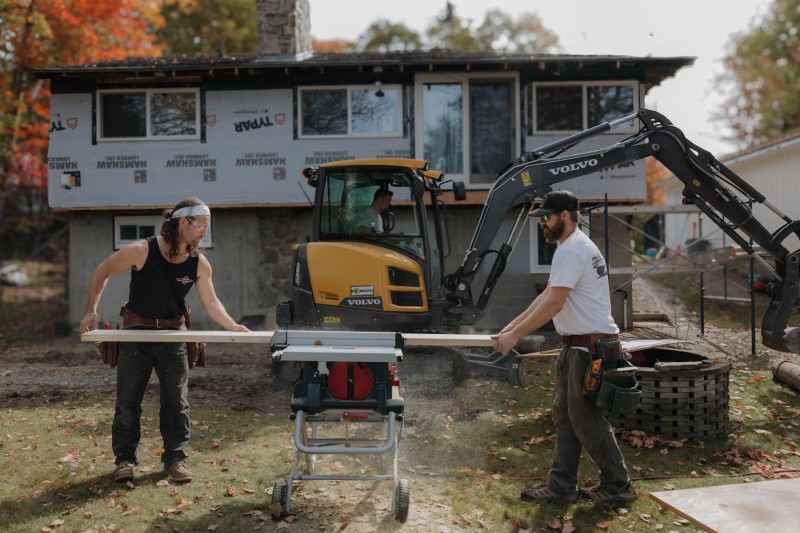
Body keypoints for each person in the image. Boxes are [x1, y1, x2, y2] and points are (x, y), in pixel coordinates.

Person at [79, 197, 250, 484]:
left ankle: (175, 459)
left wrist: (232, 325)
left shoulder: (198, 263)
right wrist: (90, 310)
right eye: (201, 225)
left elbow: (211, 302)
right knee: (127, 402)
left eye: (208, 226)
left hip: (174, 337)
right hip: (136, 334)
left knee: (177, 402)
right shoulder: (142, 250)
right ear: (183, 222)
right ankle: (124, 461)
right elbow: (103, 271)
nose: (204, 231)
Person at [492, 190, 636, 504]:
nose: (542, 223)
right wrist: (511, 327)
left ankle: (618, 486)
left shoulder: (572, 249)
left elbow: (555, 304)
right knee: (566, 416)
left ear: (566, 216)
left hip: (589, 350)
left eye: (547, 217)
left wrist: (516, 336)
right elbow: (546, 297)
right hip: (578, 347)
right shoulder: (570, 248)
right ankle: (561, 487)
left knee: (586, 419)